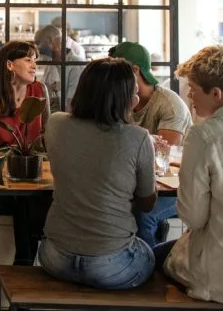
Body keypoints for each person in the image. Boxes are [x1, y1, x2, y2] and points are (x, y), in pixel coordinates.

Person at [39, 57, 156, 290]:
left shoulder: (56, 123)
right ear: (126, 98)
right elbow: (147, 203)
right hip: (112, 266)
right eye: (133, 91)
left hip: (54, 257)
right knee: (154, 253)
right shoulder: (138, 137)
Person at [154, 45, 223, 308]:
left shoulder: (204, 134)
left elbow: (192, 217)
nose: (188, 95)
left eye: (193, 88)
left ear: (216, 94)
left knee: (150, 258)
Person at [109, 42, 192, 247]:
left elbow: (162, 154)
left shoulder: (170, 105)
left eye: (115, 70)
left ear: (135, 70)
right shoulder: (118, 99)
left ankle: (148, 264)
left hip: (175, 188)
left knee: (143, 214)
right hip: (137, 182)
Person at [0, 40, 51, 266]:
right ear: (9, 65)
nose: (34, 65)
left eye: (35, 60)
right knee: (22, 195)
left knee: (39, 191)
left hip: (33, 162)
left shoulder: (40, 91)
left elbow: (47, 134)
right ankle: (28, 259)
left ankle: (25, 260)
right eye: (28, 60)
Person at [35, 25, 85, 112]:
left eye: (40, 47)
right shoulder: (50, 63)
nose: (38, 50)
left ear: (50, 41)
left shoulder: (76, 64)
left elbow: (71, 105)